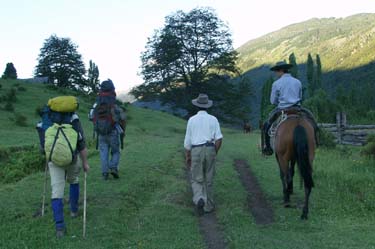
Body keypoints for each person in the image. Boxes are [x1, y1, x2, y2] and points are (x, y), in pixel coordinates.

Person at [37, 101, 90, 238]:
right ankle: (73, 211)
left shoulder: (48, 125)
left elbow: (43, 146)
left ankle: (59, 226)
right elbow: (82, 145)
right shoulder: (74, 120)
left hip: (53, 161)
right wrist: (85, 163)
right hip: (72, 158)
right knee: (73, 180)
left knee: (56, 191)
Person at [262, 61, 316, 155]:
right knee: (312, 120)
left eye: (276, 71)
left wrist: (280, 101)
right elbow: (300, 96)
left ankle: (268, 147)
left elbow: (272, 101)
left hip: (283, 109)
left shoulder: (276, 83)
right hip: (297, 108)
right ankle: (316, 140)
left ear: (281, 70)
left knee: (267, 125)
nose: (276, 73)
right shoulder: (297, 81)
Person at [184, 93, 223, 216]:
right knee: (209, 178)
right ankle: (209, 205)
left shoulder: (191, 120)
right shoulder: (213, 119)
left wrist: (188, 155)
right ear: (207, 106)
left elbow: (187, 142)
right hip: (210, 148)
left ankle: (199, 198)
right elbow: (219, 139)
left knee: (196, 177)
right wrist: (214, 151)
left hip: (196, 149)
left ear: (197, 106)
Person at [91, 79, 126, 180]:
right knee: (115, 151)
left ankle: (104, 174)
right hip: (113, 131)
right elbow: (122, 118)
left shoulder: (97, 104)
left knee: (103, 153)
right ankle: (113, 168)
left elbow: (91, 116)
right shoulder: (113, 104)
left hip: (101, 133)